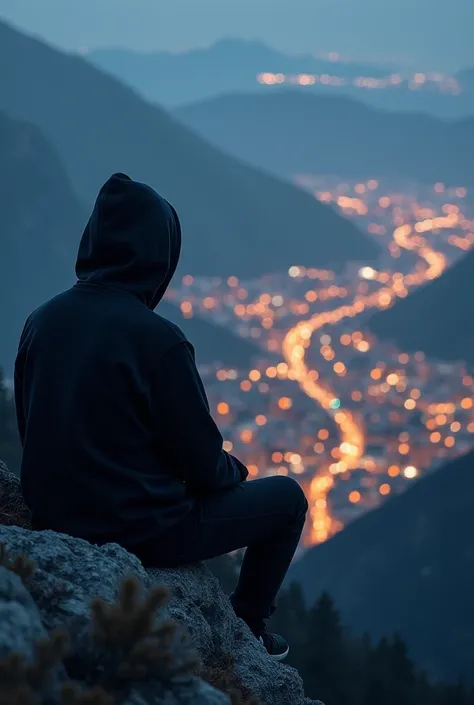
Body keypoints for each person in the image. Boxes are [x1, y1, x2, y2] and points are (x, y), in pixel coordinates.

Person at [14, 173, 308, 661]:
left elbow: (32, 428)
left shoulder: (41, 321)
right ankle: (248, 629)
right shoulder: (158, 340)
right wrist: (235, 469)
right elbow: (201, 465)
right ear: (158, 255)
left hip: (54, 517)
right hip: (142, 530)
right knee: (288, 500)